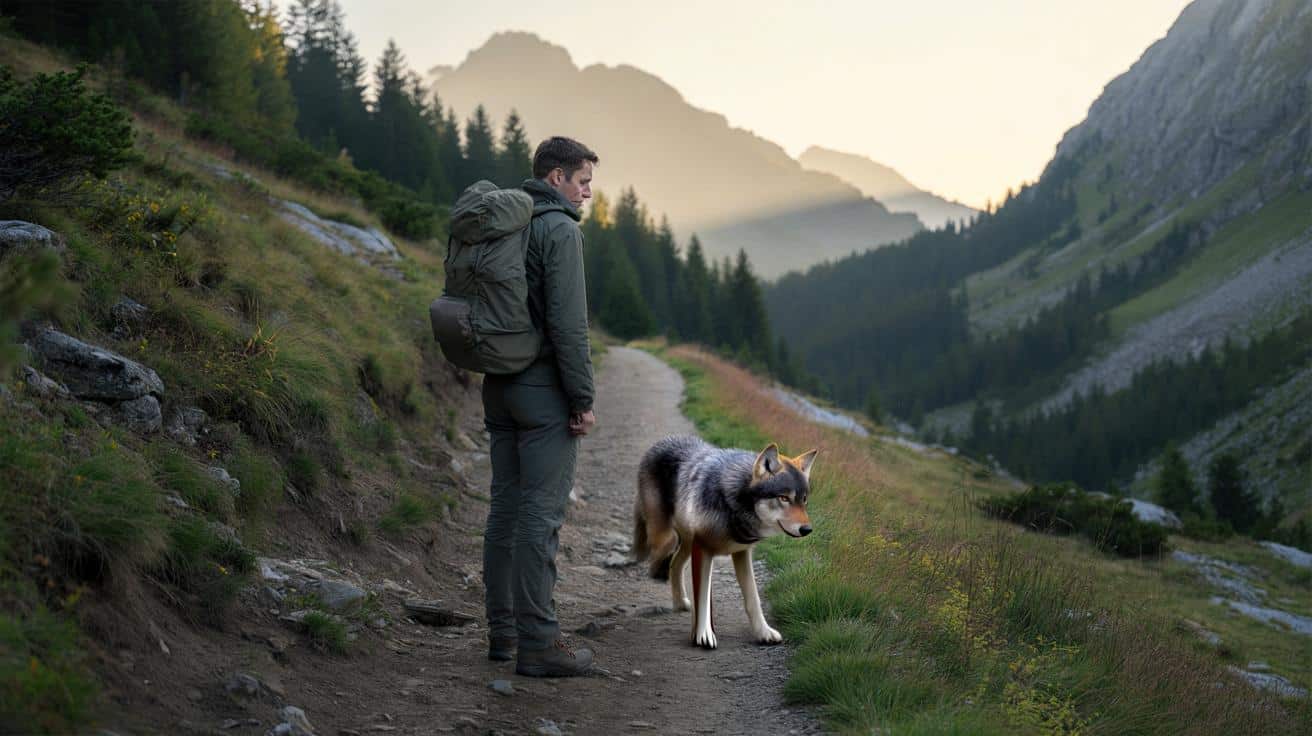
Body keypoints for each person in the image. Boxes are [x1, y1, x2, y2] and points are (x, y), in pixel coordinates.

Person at [481, 136, 599, 677]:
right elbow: (569, 325)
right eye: (583, 182)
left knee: (505, 510)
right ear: (556, 178)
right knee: (539, 517)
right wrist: (581, 398)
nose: (587, 194)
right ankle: (540, 644)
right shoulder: (558, 231)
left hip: (498, 384)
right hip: (542, 391)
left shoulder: (507, 221)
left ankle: (503, 636)